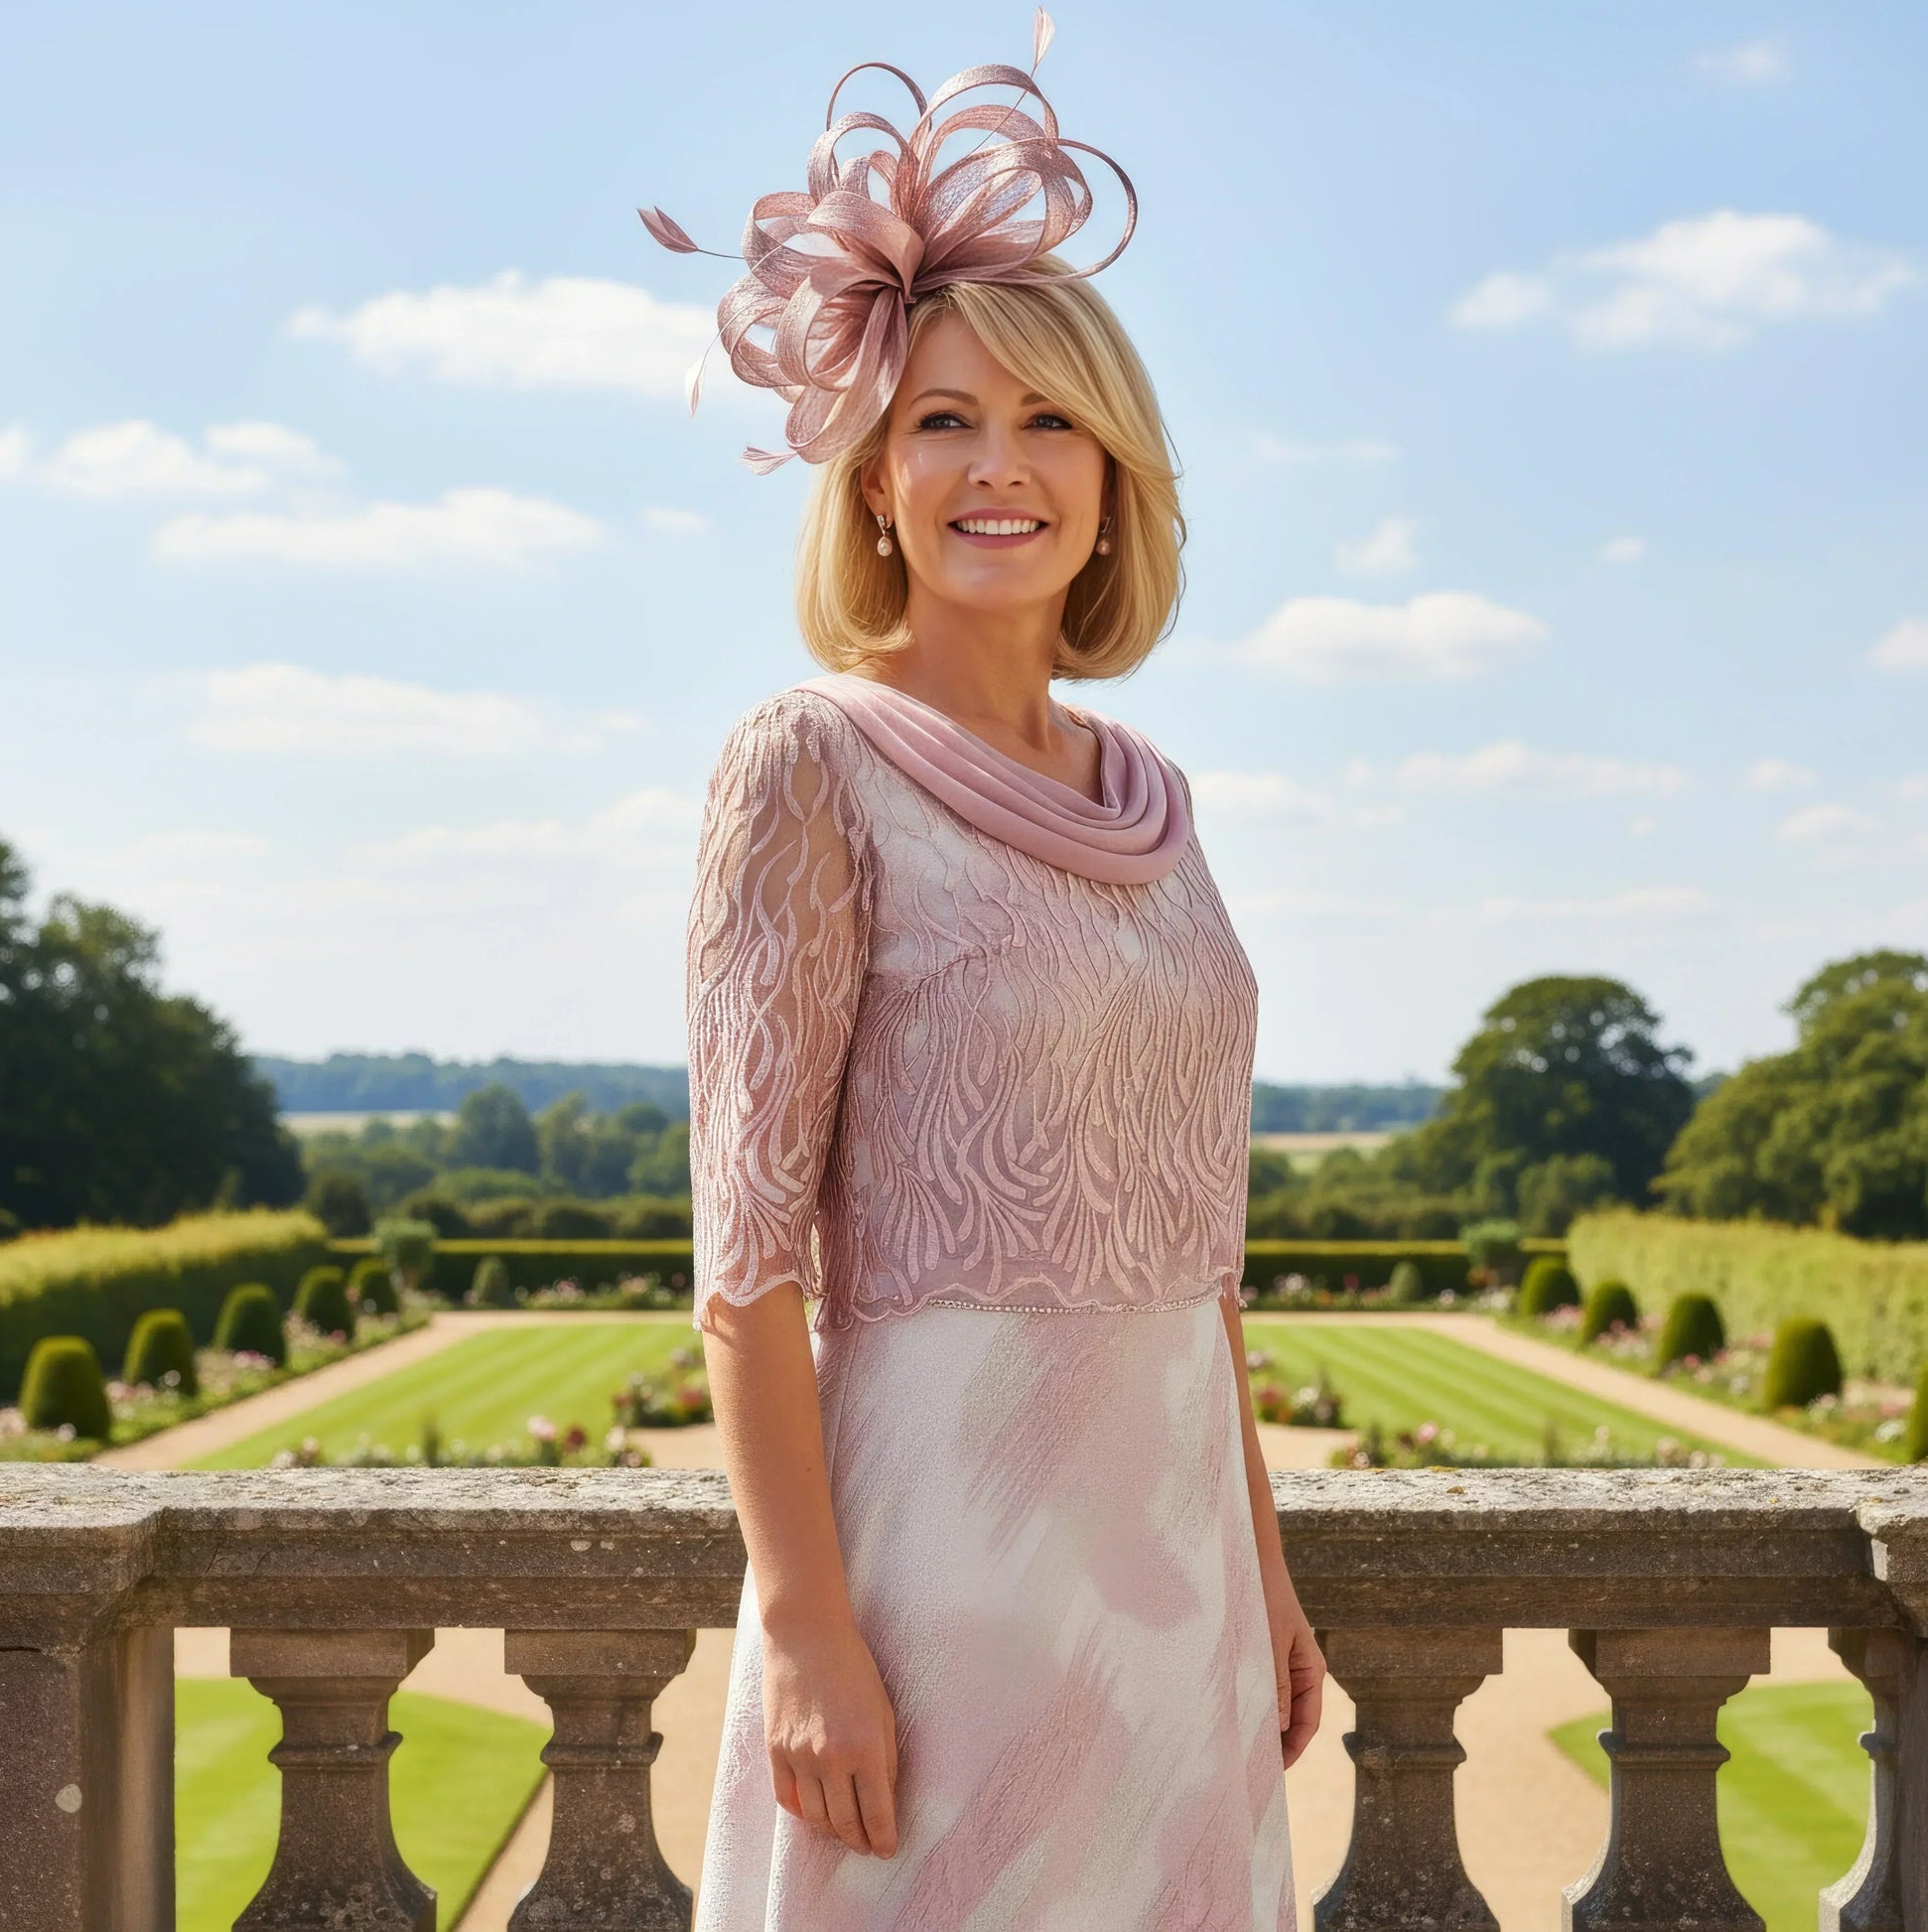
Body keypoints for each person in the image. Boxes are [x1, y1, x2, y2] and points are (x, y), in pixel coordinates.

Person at [655, 20, 1322, 1927]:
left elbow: (1196, 1254)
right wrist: (804, 1635)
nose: (996, 467)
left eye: (1048, 423)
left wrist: (1259, 1567)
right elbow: (746, 1255)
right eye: (943, 419)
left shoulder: (1159, 805)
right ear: (871, 479)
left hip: (1172, 1574)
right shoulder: (808, 766)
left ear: (1115, 483)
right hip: (935, 1570)